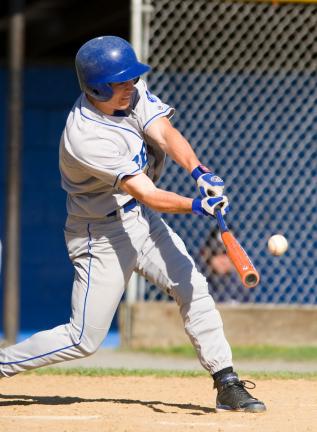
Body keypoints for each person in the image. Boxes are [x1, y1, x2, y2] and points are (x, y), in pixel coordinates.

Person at [0, 36, 266, 413]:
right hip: (100, 236)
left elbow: (164, 134)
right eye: (120, 82)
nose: (131, 86)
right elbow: (146, 192)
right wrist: (195, 205)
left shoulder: (131, 92)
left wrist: (199, 171)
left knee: (193, 286)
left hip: (142, 222)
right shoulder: (86, 137)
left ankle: (227, 381)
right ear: (97, 87)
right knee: (83, 339)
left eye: (131, 79)